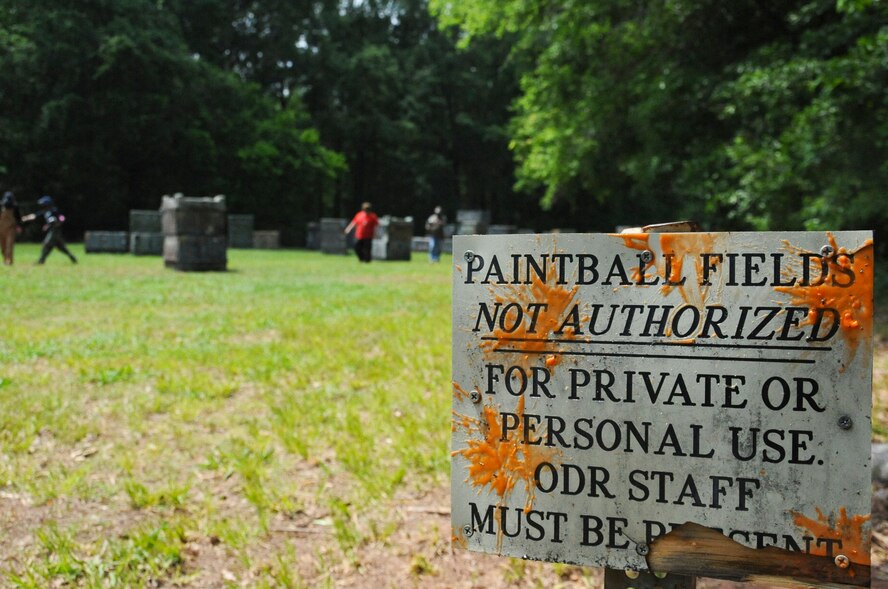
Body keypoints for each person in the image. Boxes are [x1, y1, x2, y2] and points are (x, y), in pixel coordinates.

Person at [21, 195, 77, 264]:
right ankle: (73, 258)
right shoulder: (45, 212)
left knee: (46, 244)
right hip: (52, 231)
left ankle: (41, 260)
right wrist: (25, 218)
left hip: (55, 231)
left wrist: (59, 222)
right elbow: (34, 216)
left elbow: (62, 217)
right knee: (61, 247)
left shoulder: (54, 210)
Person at [0, 191, 23, 265]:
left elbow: (18, 217)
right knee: (3, 246)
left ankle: (9, 261)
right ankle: (5, 259)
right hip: (1, 228)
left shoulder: (15, 207)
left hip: (11, 228)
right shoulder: (1, 206)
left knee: (9, 245)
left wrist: (19, 226)